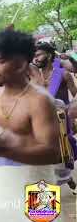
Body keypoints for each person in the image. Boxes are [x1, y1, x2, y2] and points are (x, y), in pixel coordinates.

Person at [0, 30, 64, 222]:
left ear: (20, 64)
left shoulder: (40, 100)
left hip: (40, 184)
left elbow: (52, 153)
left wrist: (3, 149)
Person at [30, 42, 77, 193]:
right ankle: (45, 201)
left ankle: (65, 181)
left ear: (49, 55)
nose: (35, 58)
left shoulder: (63, 74)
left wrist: (71, 112)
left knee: (59, 160)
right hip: (39, 124)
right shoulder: (33, 75)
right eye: (34, 55)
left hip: (61, 124)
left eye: (38, 55)